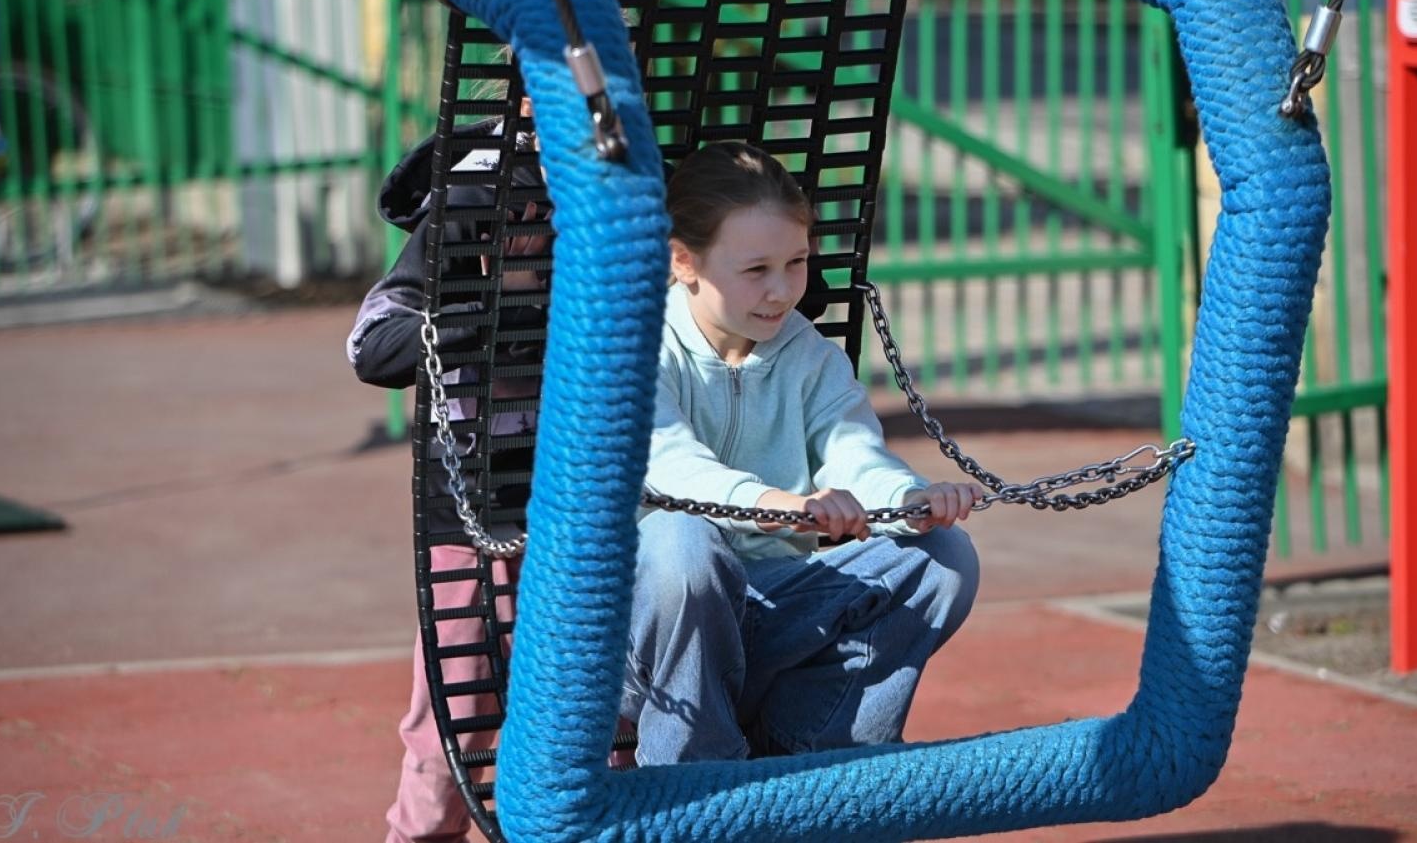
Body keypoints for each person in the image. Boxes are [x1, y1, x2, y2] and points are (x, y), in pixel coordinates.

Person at [622, 140, 983, 765]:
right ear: (684, 261)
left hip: (768, 611)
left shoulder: (810, 357)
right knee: (681, 539)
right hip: (647, 627)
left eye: (796, 263)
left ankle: (815, 755)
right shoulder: (640, 346)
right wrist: (776, 504)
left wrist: (910, 500)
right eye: (756, 270)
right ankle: (694, 774)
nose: (781, 290)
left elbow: (853, 453)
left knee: (944, 556)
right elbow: (667, 464)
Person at [348, 112, 548, 843]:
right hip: (472, 517)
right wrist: (491, 317)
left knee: (607, 729)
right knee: (452, 733)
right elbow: (373, 343)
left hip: (587, 513)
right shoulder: (478, 192)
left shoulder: (641, 188)